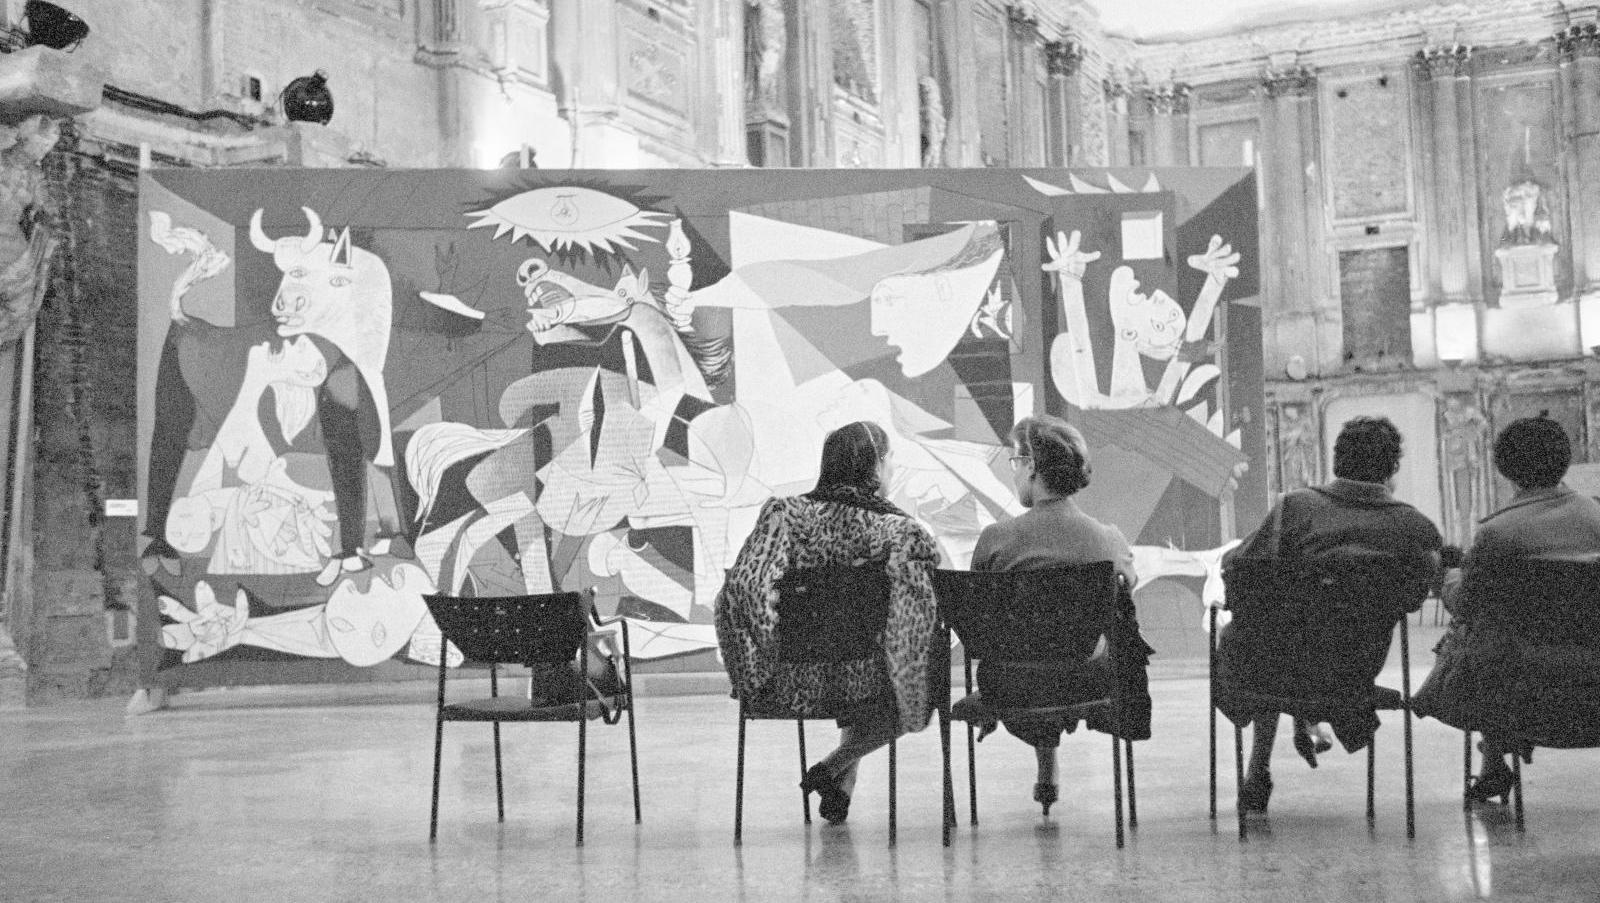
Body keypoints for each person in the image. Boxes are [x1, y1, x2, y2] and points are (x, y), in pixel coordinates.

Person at [714, 420, 940, 824]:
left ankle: (839, 785)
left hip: (790, 684)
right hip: (865, 681)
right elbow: (912, 625)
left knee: (858, 656)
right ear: (877, 466)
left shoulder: (784, 516)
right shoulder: (902, 532)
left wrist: (764, 662)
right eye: (890, 461)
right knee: (915, 689)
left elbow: (745, 589)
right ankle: (834, 764)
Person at [1221, 415, 1442, 813]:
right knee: (1300, 636)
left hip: (1280, 664)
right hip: (1354, 669)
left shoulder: (1296, 507)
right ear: (1392, 467)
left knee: (1265, 630)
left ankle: (1259, 766)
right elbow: (1413, 597)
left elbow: (1242, 572)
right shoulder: (1415, 528)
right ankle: (1306, 720)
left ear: (1337, 459)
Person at [1414, 415, 1600, 803]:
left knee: (1485, 639)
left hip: (1520, 681)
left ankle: (1494, 759)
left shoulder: (1498, 533)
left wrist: (1449, 575)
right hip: (1591, 672)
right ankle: (1493, 758)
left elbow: (1466, 605)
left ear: (1504, 469)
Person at [967, 415, 1147, 815]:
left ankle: (1046, 763)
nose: (1014, 472)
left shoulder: (996, 540)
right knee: (1067, 647)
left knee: (1030, 652)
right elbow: (1126, 596)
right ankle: (1051, 767)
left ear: (1031, 466)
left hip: (1009, 686)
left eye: (1016, 462)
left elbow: (978, 618)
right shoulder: (1109, 540)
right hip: (1086, 682)